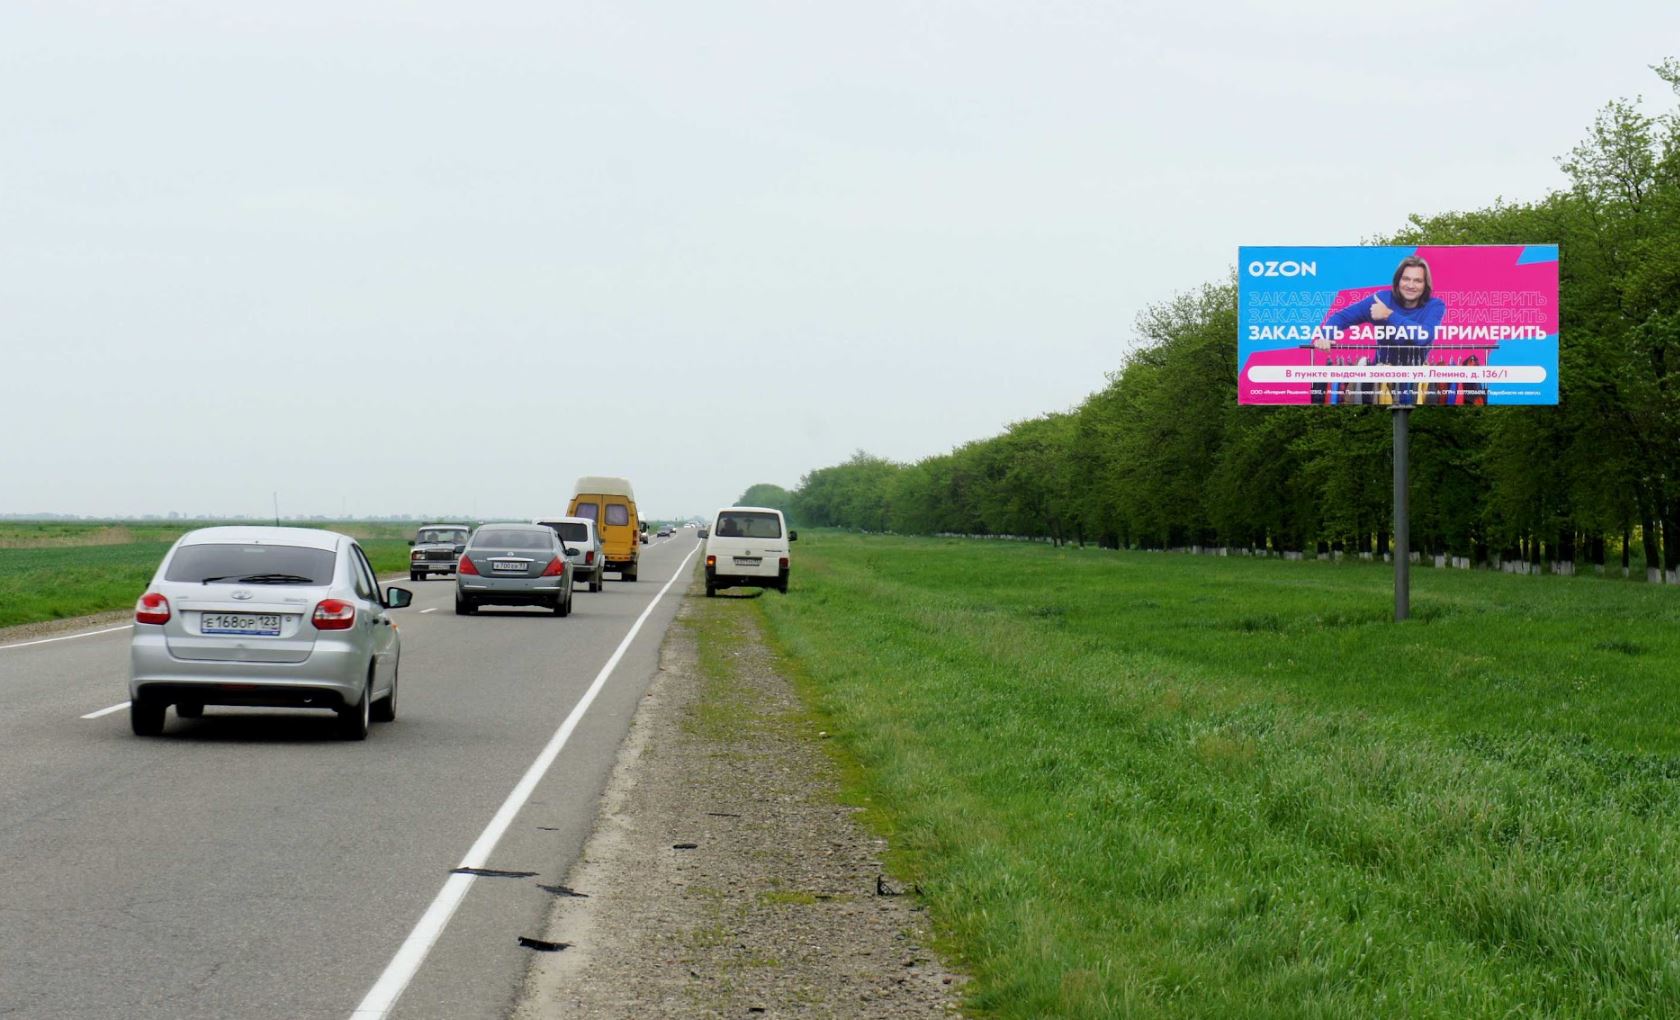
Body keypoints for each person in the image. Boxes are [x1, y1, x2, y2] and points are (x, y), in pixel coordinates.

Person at [1314, 255, 1446, 406]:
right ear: (1397, 281)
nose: (1410, 285)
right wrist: (1326, 335)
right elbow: (1342, 317)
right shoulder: (1381, 299)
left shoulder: (1435, 306)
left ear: (1425, 285)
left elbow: (1424, 336)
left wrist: (1389, 315)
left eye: (1417, 280)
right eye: (1406, 279)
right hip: (1380, 381)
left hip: (1416, 383)